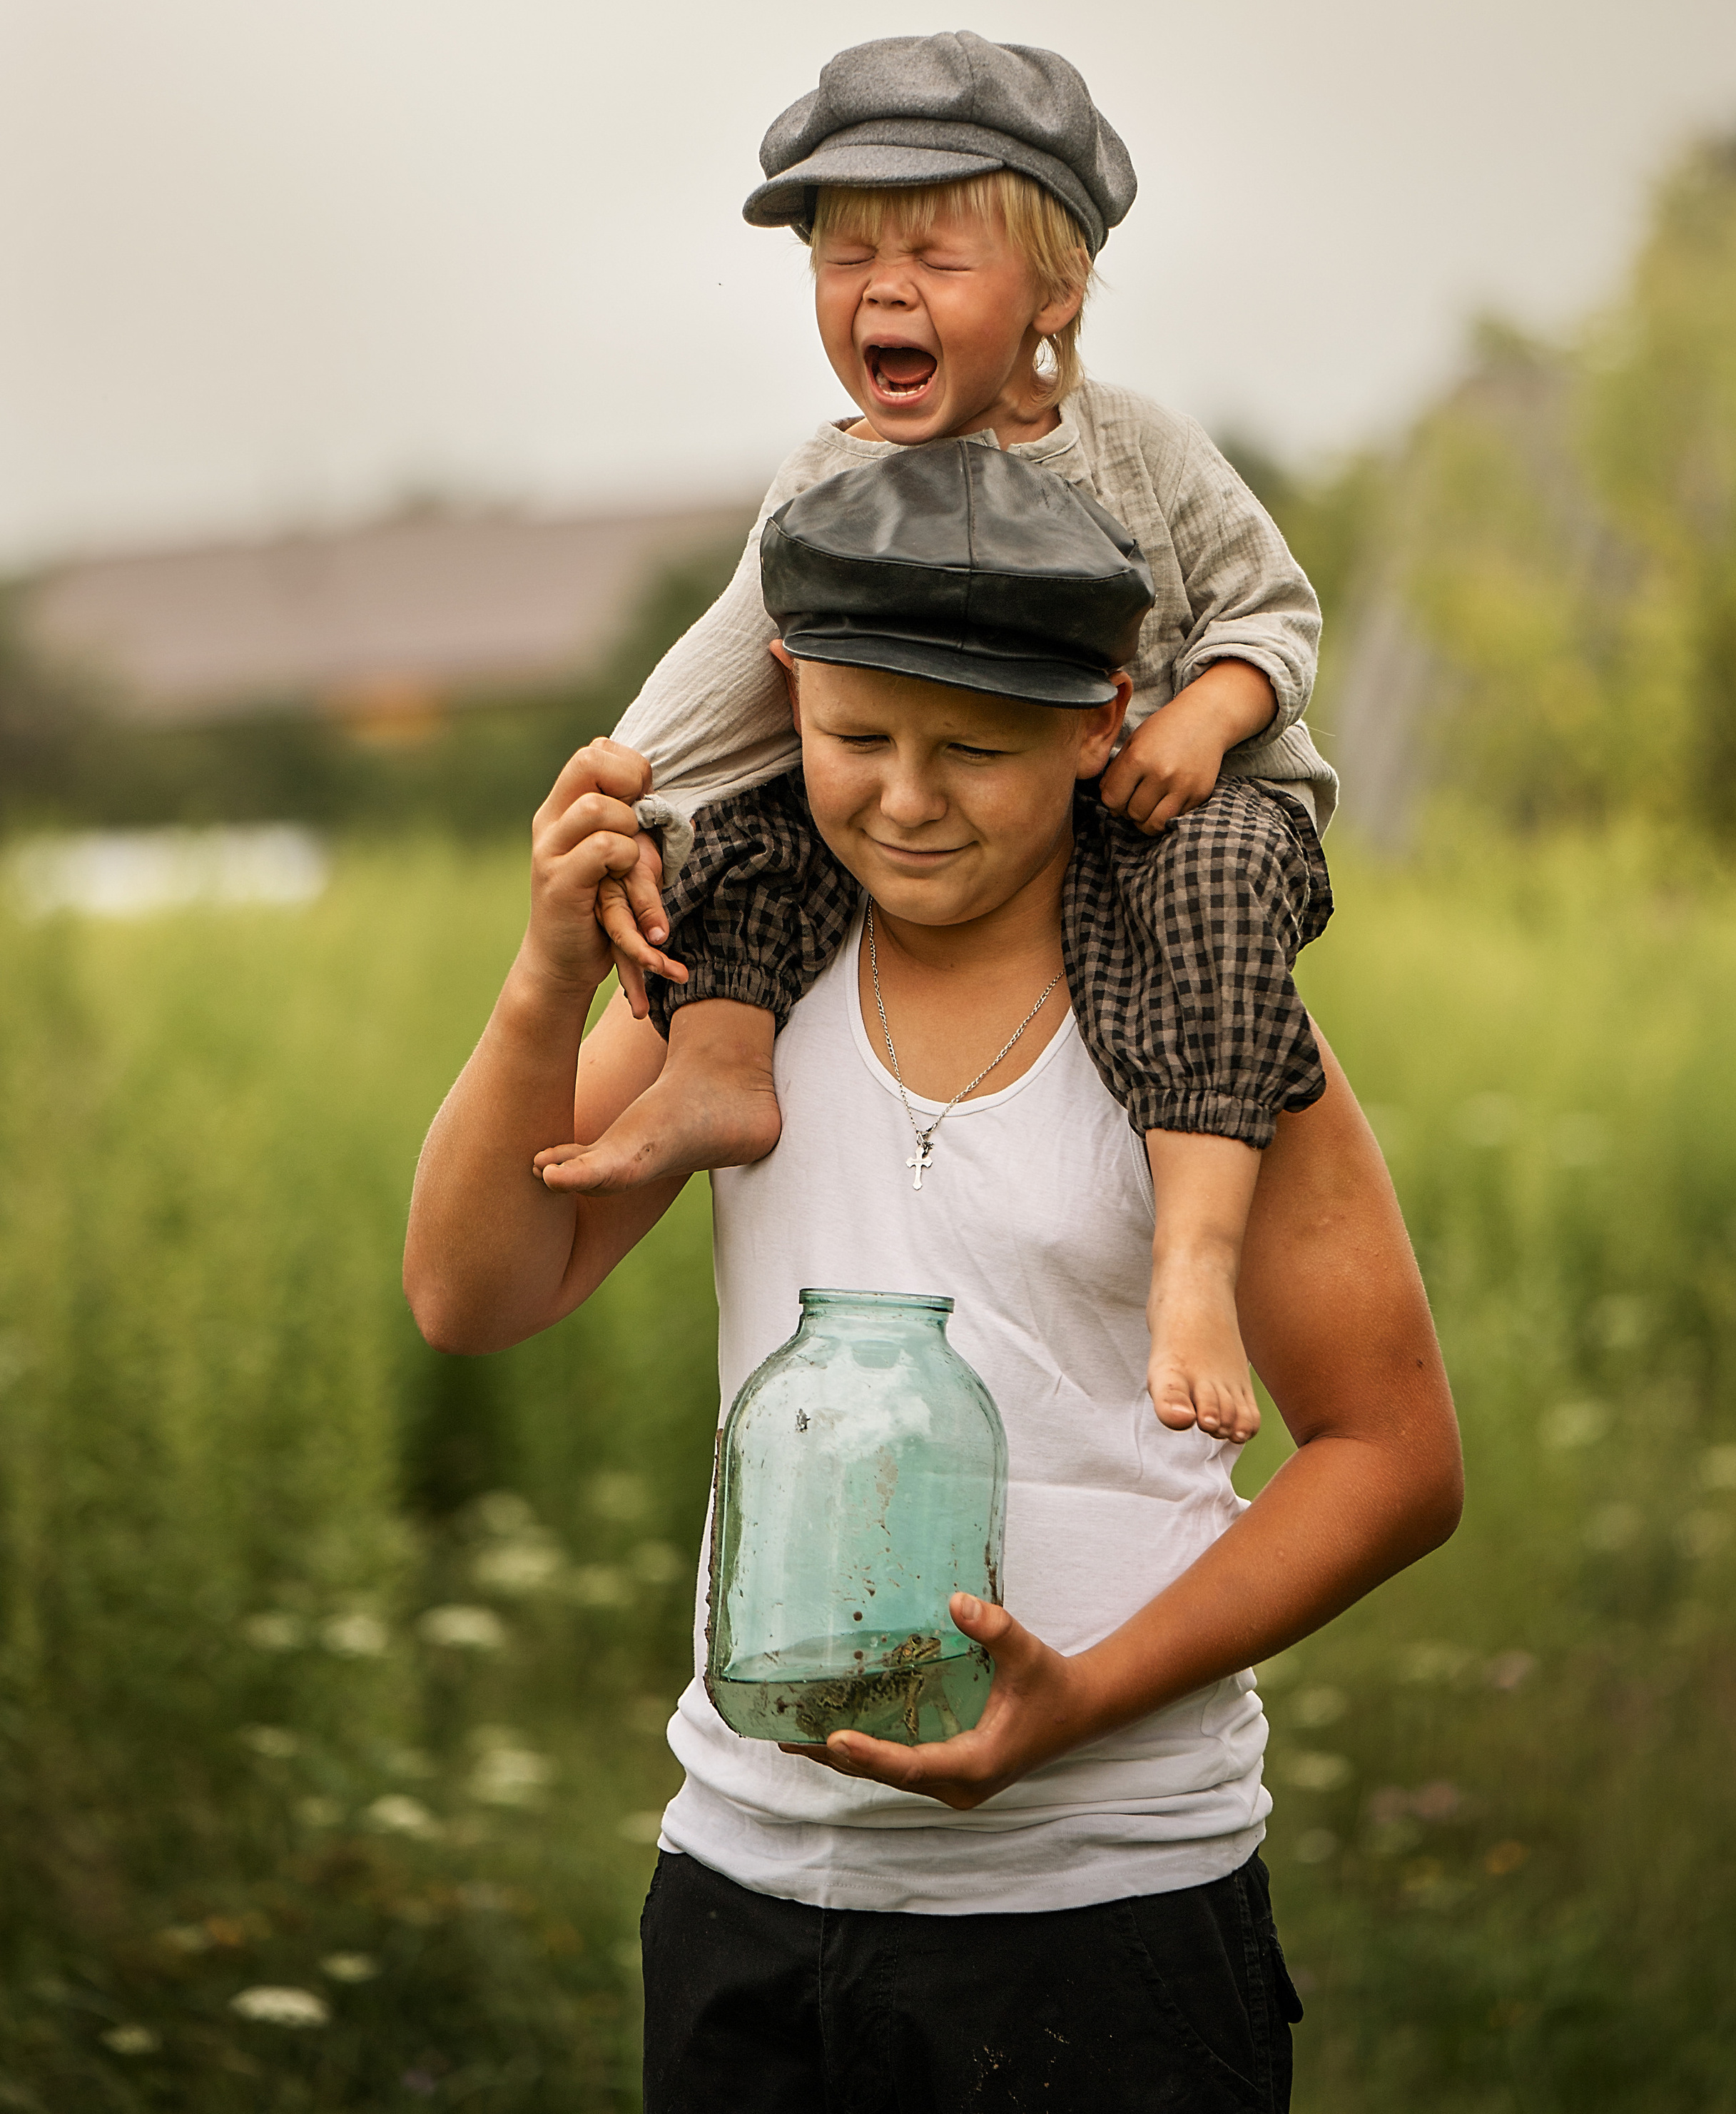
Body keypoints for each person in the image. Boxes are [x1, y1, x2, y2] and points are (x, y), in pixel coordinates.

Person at [405, 445, 1463, 2114]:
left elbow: (1393, 1458)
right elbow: (471, 1296)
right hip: (744, 1887)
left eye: (973, 750)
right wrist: (547, 982)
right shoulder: (726, 997)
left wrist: (1080, 1704)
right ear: (784, 695)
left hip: (1106, 1903)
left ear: (1099, 722)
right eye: (852, 740)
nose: (903, 798)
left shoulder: (1209, 1022)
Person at [569, 29, 1340, 1447]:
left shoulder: (1136, 452)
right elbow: (731, 663)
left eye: (933, 257)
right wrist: (623, 798)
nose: (883, 291)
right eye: (844, 258)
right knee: (752, 818)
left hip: (1175, 806)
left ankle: (1192, 1262)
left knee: (1222, 893)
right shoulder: (828, 480)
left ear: (1052, 290)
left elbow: (1272, 613)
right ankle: (720, 1068)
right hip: (962, 825)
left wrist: (1205, 715)